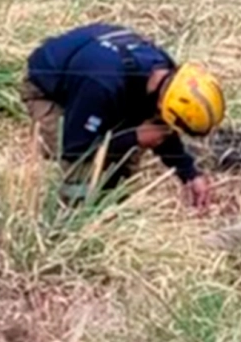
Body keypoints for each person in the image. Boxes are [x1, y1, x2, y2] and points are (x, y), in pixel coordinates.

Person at [21, 24, 225, 208]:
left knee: (124, 154)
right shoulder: (101, 85)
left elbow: (161, 129)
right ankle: (71, 221)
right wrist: (134, 137)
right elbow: (76, 147)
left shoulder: (165, 74)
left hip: (95, 80)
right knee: (83, 164)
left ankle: (112, 205)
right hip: (48, 90)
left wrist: (189, 174)